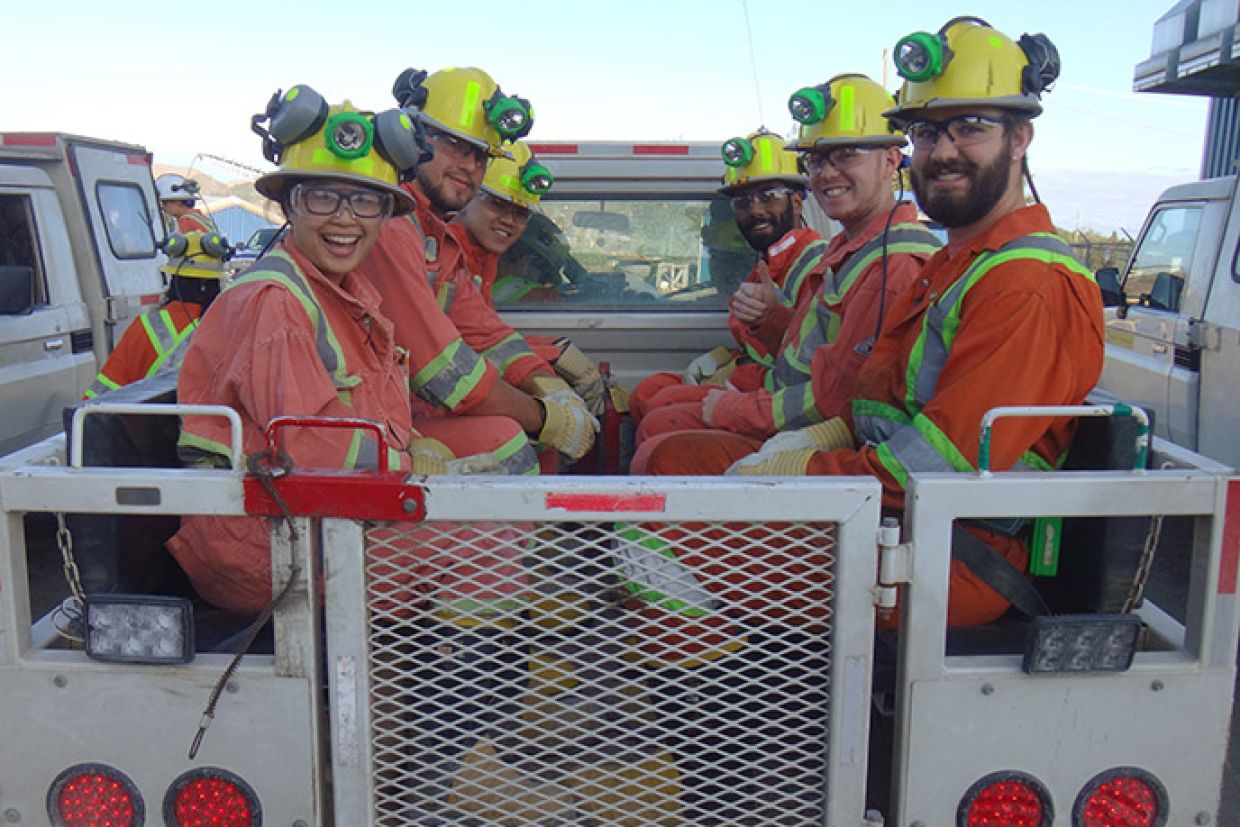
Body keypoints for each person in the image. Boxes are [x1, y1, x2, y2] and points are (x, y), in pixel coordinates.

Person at [733, 17, 1102, 629]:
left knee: (673, 535)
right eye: (928, 133)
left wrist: (807, 469)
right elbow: (884, 401)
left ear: (1020, 138)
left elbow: (939, 470)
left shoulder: (1028, 282)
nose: (943, 151)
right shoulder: (954, 266)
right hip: (896, 522)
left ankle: (726, 717)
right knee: (691, 498)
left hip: (955, 555)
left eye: (970, 127)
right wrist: (823, 439)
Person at [631, 75, 941, 474]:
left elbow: (843, 398)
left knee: (663, 449)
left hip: (821, 445)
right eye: (816, 159)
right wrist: (764, 328)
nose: (827, 173)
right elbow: (807, 362)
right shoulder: (845, 252)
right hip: (786, 411)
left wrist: (737, 408)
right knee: (660, 423)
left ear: (890, 161)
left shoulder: (891, 264)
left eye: (846, 154)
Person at [359, 67, 597, 468]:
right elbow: (442, 366)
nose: (469, 166)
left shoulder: (435, 236)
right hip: (359, 418)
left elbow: (485, 335)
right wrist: (544, 418)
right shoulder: (391, 225)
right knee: (505, 441)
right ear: (411, 136)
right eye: (454, 144)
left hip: (391, 408)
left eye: (481, 155)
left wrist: (547, 383)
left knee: (509, 434)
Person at [627, 129, 827, 426]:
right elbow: (757, 350)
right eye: (743, 202)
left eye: (768, 196)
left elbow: (814, 365)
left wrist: (771, 322)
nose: (755, 210)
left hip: (780, 397)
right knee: (647, 391)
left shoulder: (815, 265)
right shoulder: (770, 261)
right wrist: (721, 359)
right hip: (756, 378)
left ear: (797, 203)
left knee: (662, 414)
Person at [450, 140, 608, 416]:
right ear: (466, 197)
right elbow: (456, 347)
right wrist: (547, 363)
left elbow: (481, 335)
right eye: (497, 204)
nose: (509, 221)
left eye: (521, 212)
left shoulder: (483, 261)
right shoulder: (445, 255)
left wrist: (551, 349)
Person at [83, 230, 230, 398]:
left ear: (174, 279)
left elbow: (101, 396)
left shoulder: (145, 327)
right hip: (212, 422)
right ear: (216, 280)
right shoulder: (231, 327)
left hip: (152, 423)